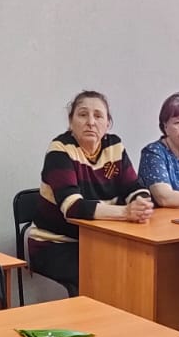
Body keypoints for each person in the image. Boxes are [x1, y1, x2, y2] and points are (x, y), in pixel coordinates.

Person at [26, 91, 154, 295]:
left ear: (108, 124)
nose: (91, 122)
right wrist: (125, 212)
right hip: (56, 244)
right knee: (104, 274)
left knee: (138, 267)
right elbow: (73, 208)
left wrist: (142, 203)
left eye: (98, 116)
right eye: (83, 115)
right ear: (71, 121)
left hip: (101, 239)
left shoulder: (114, 146)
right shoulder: (60, 150)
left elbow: (134, 187)